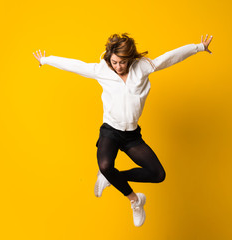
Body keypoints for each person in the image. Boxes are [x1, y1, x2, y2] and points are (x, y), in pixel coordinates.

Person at [33, 33, 213, 227]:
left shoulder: (142, 67)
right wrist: (46, 60)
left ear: (129, 59)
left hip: (132, 135)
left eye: (122, 62)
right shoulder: (102, 70)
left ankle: (110, 178)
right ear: (109, 60)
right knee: (105, 165)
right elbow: (77, 66)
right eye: (114, 62)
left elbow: (168, 58)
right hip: (110, 131)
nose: (118, 67)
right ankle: (135, 200)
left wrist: (199, 47)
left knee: (158, 174)